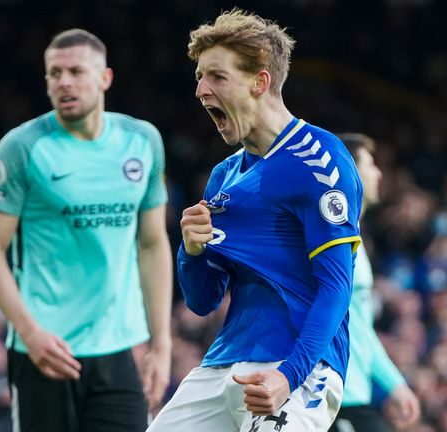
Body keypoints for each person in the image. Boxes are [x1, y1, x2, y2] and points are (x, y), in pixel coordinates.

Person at [149, 9, 362, 432]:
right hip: (223, 364)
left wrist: (289, 374)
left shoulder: (318, 159)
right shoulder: (223, 176)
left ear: (259, 82)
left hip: (297, 366)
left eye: (216, 77)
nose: (200, 90)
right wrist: (191, 251)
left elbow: (337, 285)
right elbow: (203, 300)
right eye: (199, 75)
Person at [0, 28, 172, 432]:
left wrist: (161, 344)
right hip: (44, 350)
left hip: (118, 349)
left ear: (105, 79)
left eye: (76, 71)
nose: (63, 82)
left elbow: (152, 244)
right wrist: (30, 333)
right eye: (54, 73)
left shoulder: (143, 141)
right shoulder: (21, 148)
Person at [329, 133, 420, 432]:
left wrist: (394, 384)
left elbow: (360, 328)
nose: (378, 172)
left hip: (350, 391)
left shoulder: (353, 234)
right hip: (332, 390)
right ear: (350, 171)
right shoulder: (334, 238)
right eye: (369, 164)